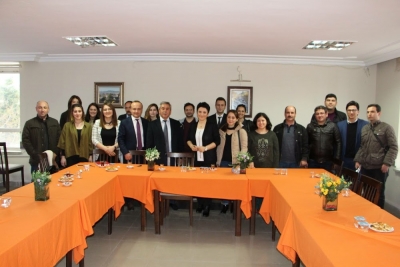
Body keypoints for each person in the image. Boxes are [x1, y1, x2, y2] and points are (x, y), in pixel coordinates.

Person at [354, 104, 398, 209]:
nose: (369, 114)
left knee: (378, 193)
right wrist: (358, 160)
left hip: (379, 167)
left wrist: (387, 163)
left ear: (379, 113)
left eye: (372, 112)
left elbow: (394, 147)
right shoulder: (365, 128)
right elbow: (362, 146)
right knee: (367, 191)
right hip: (365, 166)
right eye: (368, 112)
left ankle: (379, 217)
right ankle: (368, 212)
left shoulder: (387, 128)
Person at [187, 102, 220, 217]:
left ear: (208, 113)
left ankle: (207, 205)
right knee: (198, 182)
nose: (201, 114)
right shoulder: (193, 125)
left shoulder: (212, 125)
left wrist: (205, 148)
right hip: (197, 159)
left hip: (209, 158)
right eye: (200, 112)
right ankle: (200, 204)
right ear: (197, 112)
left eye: (204, 112)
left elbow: (217, 141)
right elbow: (188, 139)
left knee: (208, 182)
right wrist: (192, 146)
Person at [216, 110, 247, 213]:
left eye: (233, 117)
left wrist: (240, 163)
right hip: (223, 161)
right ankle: (224, 204)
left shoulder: (241, 131)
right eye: (229, 117)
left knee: (235, 185)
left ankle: (234, 203)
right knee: (224, 185)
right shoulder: (221, 130)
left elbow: (244, 148)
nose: (231, 119)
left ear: (237, 119)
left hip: (235, 163)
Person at [22, 101, 61, 174]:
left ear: (48, 109)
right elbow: (25, 141)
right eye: (40, 107)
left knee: (53, 183)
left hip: (53, 160)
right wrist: (35, 155)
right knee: (37, 183)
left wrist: (55, 153)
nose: (42, 110)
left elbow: (59, 139)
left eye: (45, 107)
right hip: (36, 161)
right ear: (36, 109)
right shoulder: (29, 123)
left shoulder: (54, 122)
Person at [146, 101, 183, 166]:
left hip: (173, 157)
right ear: (159, 111)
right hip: (158, 158)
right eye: (163, 108)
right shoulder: (152, 124)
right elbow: (149, 143)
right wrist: (151, 159)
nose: (165, 111)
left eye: (167, 109)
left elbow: (180, 142)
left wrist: (180, 157)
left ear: (170, 111)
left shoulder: (176, 123)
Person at [307, 105, 341, 171]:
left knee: (327, 181)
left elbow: (338, 143)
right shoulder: (310, 126)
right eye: (317, 114)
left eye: (322, 113)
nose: (319, 115)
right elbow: (306, 143)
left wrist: (337, 160)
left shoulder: (333, 126)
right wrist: (306, 158)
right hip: (312, 161)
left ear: (326, 114)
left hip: (328, 161)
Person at [337, 101, 368, 170]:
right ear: (346, 112)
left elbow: (366, 144)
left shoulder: (365, 125)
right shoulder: (340, 125)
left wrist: (360, 159)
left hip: (358, 160)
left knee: (356, 180)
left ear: (358, 112)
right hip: (343, 159)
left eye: (354, 110)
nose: (351, 112)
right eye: (349, 110)